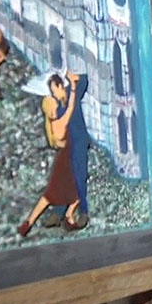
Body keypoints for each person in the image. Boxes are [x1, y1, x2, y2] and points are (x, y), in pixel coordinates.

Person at [18, 72, 82, 237]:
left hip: (62, 160)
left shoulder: (51, 125)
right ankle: (68, 217)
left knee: (49, 196)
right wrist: (73, 87)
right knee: (75, 195)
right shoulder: (60, 122)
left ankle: (29, 222)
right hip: (66, 162)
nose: (55, 105)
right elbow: (70, 108)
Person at [40, 70, 93, 231]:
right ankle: (59, 212)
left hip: (79, 143)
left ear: (60, 86)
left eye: (54, 90)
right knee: (64, 178)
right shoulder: (58, 107)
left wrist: (74, 79)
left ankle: (83, 212)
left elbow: (84, 80)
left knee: (79, 177)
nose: (54, 94)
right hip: (68, 146)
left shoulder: (72, 95)